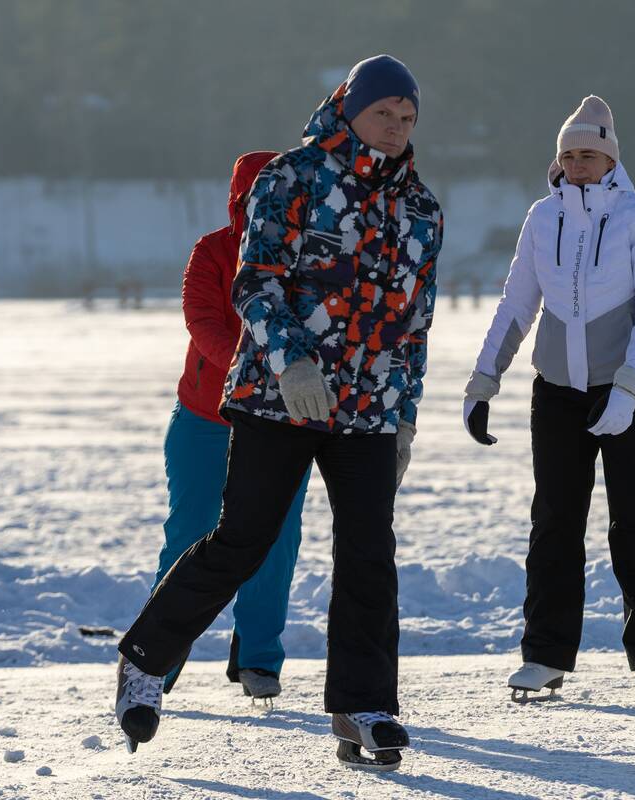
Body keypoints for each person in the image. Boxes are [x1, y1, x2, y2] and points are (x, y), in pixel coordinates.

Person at [114, 55, 442, 771]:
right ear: (348, 109)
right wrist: (291, 360)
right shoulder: (290, 178)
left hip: (367, 408)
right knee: (242, 540)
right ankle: (145, 658)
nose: (396, 127)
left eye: (408, 116)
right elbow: (255, 282)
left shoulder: (420, 208)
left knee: (368, 553)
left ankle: (364, 704)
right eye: (384, 112)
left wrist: (406, 415)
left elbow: (415, 326)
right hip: (276, 395)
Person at [463, 95, 635, 705]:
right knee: (555, 523)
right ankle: (545, 656)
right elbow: (516, 306)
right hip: (556, 393)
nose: (579, 164)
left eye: (590, 153)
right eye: (569, 154)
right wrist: (485, 381)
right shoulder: (541, 218)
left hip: (630, 390)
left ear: (610, 157)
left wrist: (630, 389)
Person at [156, 150, 309, 703]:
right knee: (190, 532)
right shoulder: (214, 250)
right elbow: (203, 322)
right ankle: (160, 654)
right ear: (240, 198)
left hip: (280, 423)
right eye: (257, 197)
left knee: (276, 538)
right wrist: (267, 365)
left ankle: (257, 657)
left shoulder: (307, 255)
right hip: (205, 417)